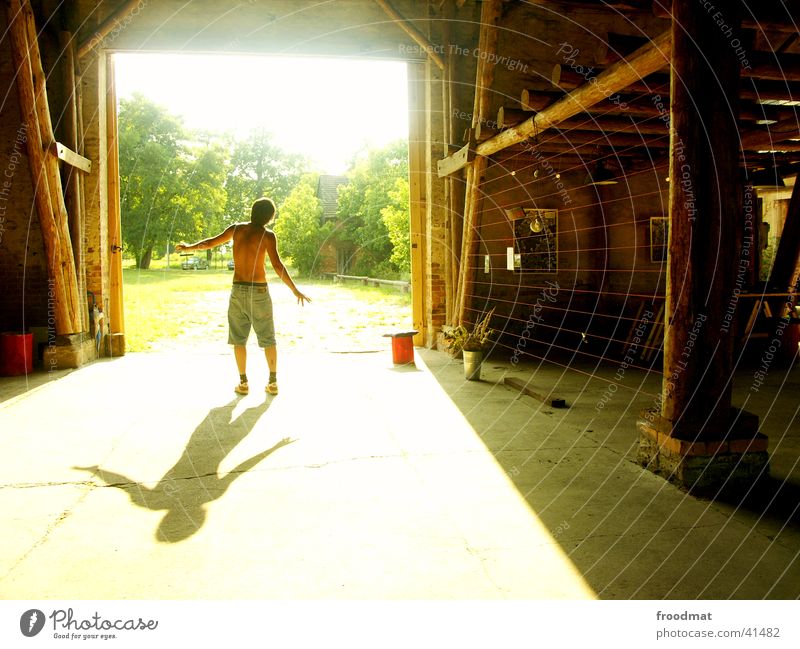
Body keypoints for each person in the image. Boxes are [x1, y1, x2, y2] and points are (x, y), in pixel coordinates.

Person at [176, 197, 310, 396]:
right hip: (259, 292)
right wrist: (294, 289)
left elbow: (210, 243)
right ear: (269, 216)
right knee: (268, 337)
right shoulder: (268, 235)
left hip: (238, 289)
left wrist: (189, 247)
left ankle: (243, 382)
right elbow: (278, 266)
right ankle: (272, 382)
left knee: (239, 339)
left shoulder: (237, 229)